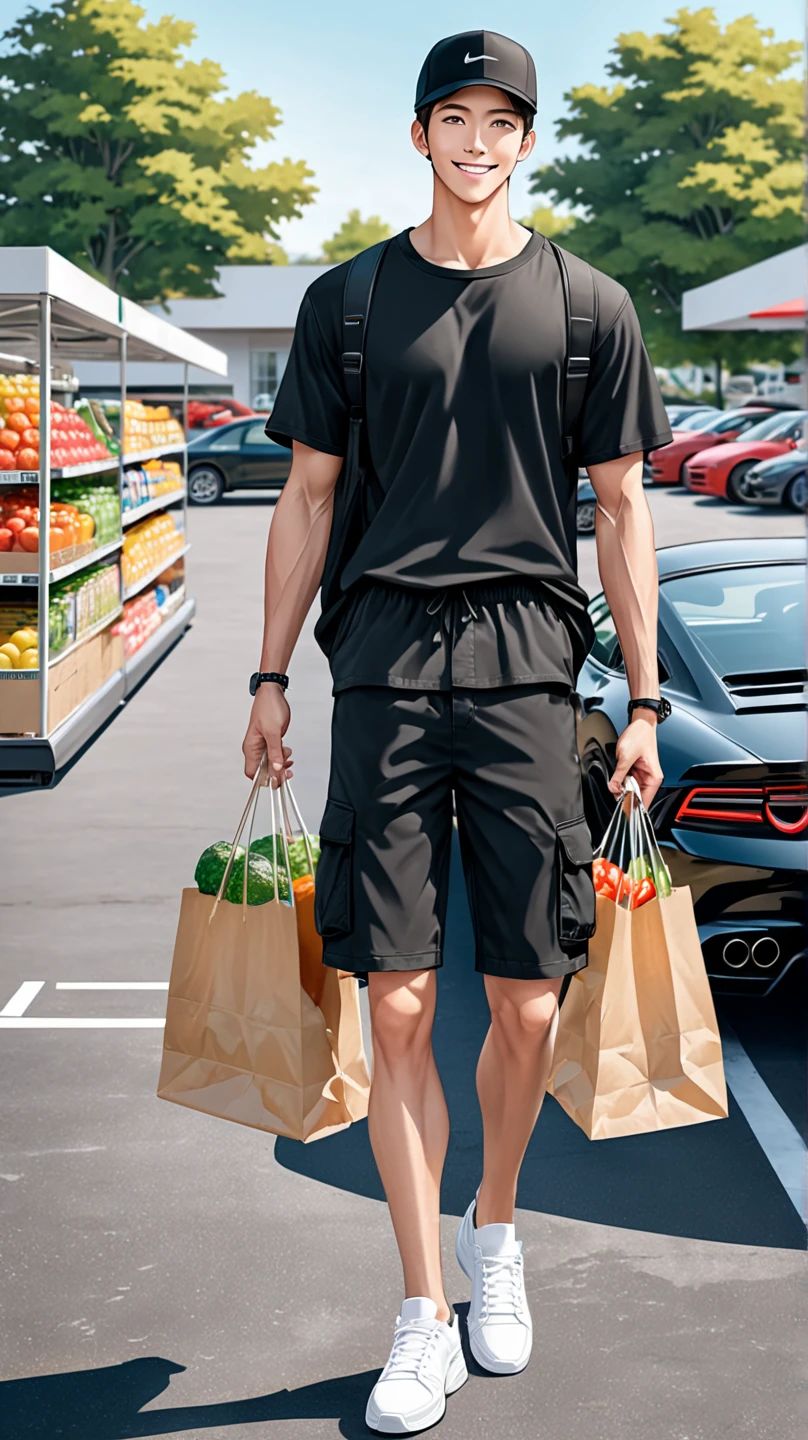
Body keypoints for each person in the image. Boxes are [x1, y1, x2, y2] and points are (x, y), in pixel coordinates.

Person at [242, 28, 672, 1435]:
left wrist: (648, 700)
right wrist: (268, 679)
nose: (477, 139)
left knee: (530, 1002)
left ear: (527, 142)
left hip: (530, 673)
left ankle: (497, 1232)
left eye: (502, 119)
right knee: (401, 1002)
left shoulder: (592, 306)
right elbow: (307, 498)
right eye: (453, 116)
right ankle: (421, 1309)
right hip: (382, 667)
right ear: (419, 136)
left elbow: (621, 509)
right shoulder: (350, 302)